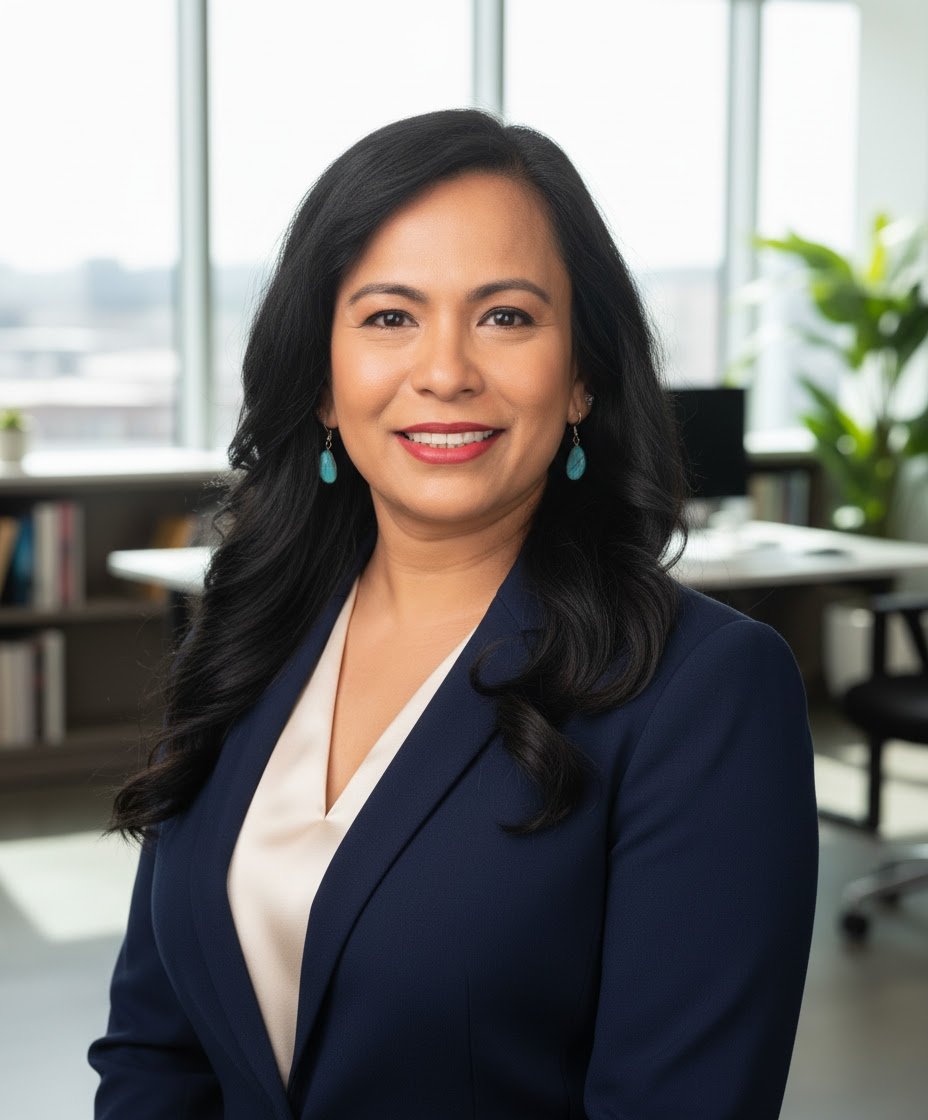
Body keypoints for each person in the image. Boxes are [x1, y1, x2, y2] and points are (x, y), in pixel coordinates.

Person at [89, 109, 818, 1119]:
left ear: (580, 379)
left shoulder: (702, 691)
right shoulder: (249, 632)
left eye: (506, 316)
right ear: (324, 387)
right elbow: (153, 1049)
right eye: (389, 316)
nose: (444, 371)